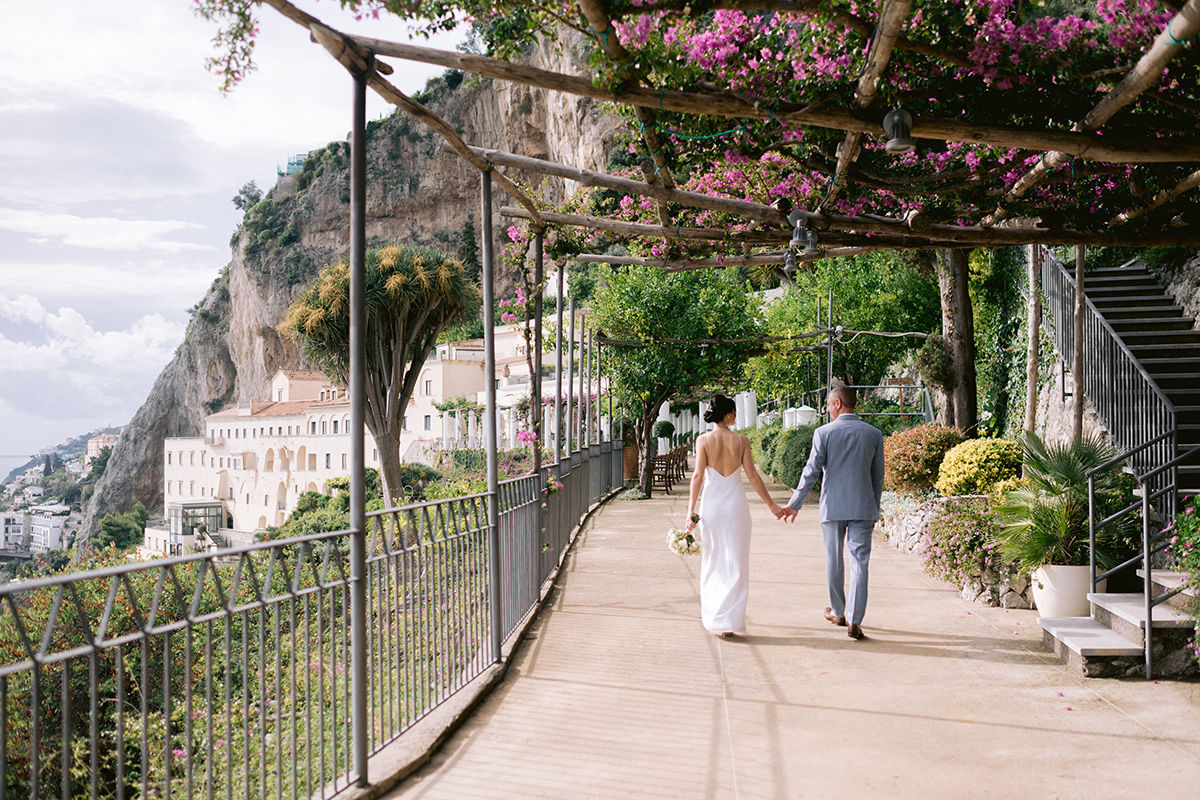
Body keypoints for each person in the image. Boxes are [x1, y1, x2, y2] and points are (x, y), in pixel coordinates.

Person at [779, 385, 884, 641]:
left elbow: (811, 471)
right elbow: (878, 476)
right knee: (860, 562)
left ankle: (838, 612)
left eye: (828, 404)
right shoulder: (873, 434)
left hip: (833, 507)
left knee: (834, 560)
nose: (827, 409)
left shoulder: (823, 433)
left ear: (837, 403)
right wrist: (874, 505)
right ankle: (855, 620)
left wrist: (795, 503)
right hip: (862, 507)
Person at [685, 393, 784, 638]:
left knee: (713, 560)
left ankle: (717, 618)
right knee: (737, 562)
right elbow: (752, 476)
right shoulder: (742, 441)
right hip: (736, 508)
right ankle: (729, 619)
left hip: (713, 507)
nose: (736, 417)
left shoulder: (703, 441)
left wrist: (691, 512)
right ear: (728, 414)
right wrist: (771, 506)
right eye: (734, 412)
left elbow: (697, 477)